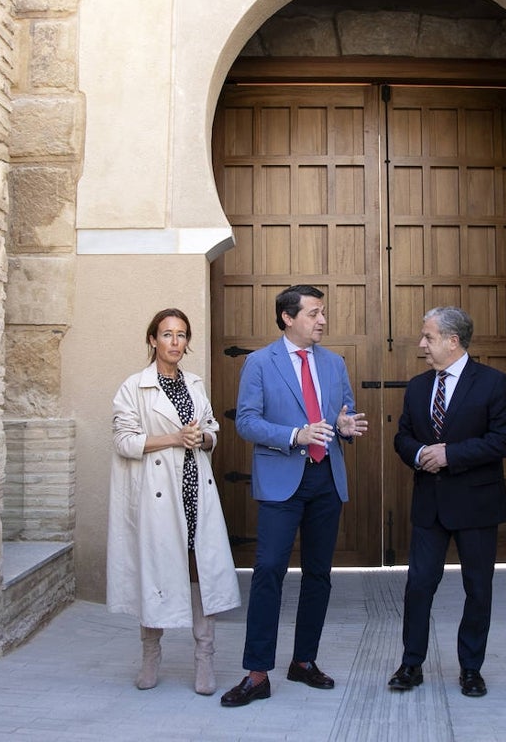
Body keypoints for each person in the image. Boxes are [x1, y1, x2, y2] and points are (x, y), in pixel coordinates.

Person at [219, 285, 369, 707]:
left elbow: (344, 414)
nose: (322, 320)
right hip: (283, 481)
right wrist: (294, 435)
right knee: (268, 571)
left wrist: (344, 428)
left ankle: (304, 661)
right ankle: (256, 673)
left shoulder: (335, 363)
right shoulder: (260, 363)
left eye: (323, 313)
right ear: (288, 317)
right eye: (314, 313)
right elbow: (247, 422)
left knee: (319, 574)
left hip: (326, 480)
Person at [386, 306, 506, 698]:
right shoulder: (417, 386)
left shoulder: (494, 383)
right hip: (430, 505)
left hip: (477, 505)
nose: (421, 344)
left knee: (478, 587)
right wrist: (419, 453)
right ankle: (411, 664)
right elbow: (403, 436)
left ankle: (471, 669)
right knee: (418, 585)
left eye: (428, 337)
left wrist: (451, 454)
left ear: (452, 341)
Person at [107, 308, 241, 696]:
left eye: (181, 335)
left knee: (202, 576)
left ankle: (205, 659)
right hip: (156, 496)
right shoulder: (134, 387)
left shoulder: (195, 385)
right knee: (156, 574)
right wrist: (173, 438)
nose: (175, 342)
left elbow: (212, 429)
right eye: (167, 334)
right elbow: (123, 441)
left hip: (195, 492)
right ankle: (150, 657)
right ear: (152, 340)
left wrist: (205, 439)